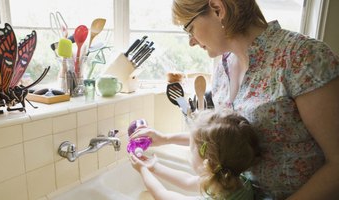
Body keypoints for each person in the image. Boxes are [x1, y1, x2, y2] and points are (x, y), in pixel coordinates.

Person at [132, 0, 339, 199]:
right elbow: (222, 140)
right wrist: (165, 139)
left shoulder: (302, 57)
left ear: (217, 9)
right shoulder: (222, 69)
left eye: (190, 28)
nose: (191, 41)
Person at [130, 110, 261, 200]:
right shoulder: (237, 179)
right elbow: (187, 181)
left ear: (207, 160)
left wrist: (143, 170)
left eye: (191, 148)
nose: (189, 150)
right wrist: (154, 167)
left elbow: (161, 195)